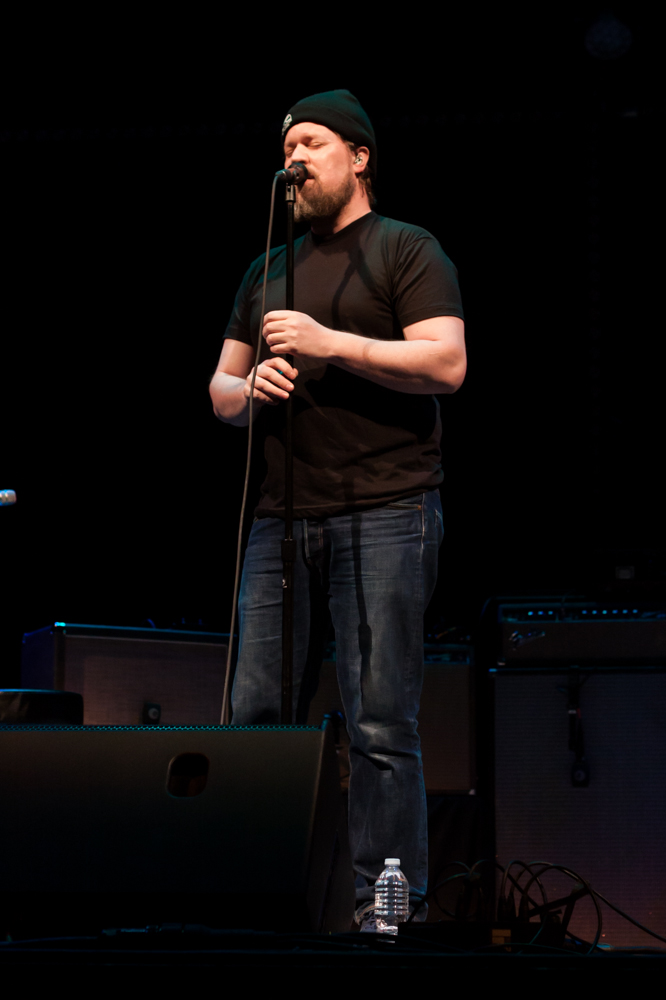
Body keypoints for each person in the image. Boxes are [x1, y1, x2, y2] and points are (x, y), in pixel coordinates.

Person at [209, 89, 466, 927]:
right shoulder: (266, 269)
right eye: (287, 148)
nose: (294, 159)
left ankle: (385, 908)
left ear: (358, 158)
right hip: (279, 518)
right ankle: (251, 901)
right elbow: (219, 390)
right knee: (255, 715)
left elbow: (445, 364)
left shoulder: (404, 248)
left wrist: (331, 345)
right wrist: (248, 387)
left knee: (379, 720)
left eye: (312, 144)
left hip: (385, 509)